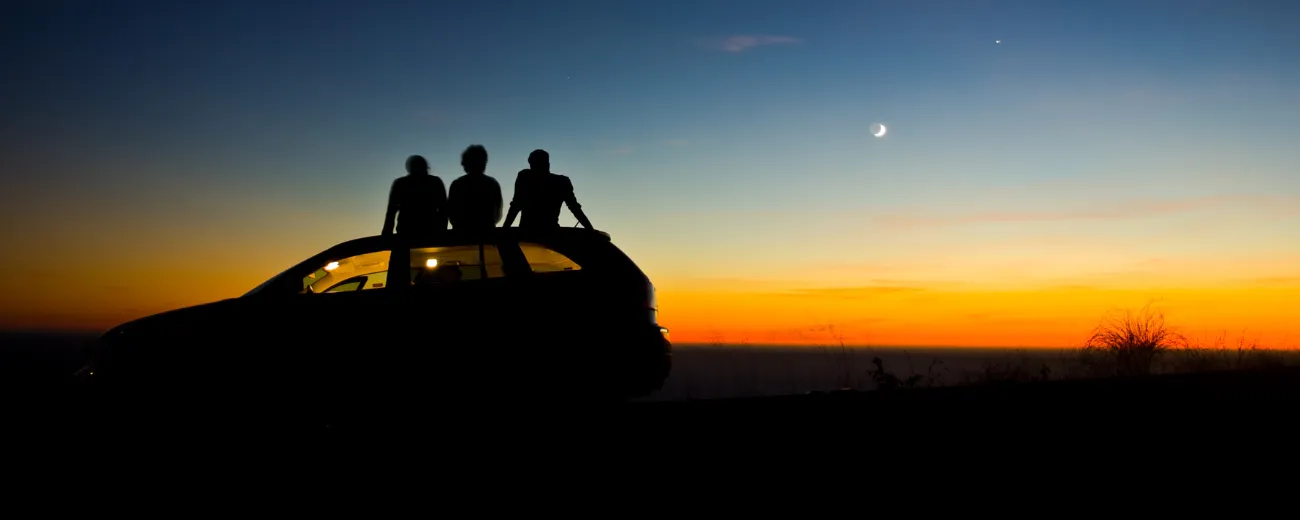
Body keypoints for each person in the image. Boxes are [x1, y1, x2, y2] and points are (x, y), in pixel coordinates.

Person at [501, 149, 594, 230]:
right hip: (538, 233)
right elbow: (516, 205)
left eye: (537, 164)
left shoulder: (525, 176)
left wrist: (505, 229)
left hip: (534, 233)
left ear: (547, 164)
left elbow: (516, 205)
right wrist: (591, 229)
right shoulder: (561, 181)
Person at [382, 155, 447, 236]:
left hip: (407, 230)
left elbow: (391, 212)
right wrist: (442, 230)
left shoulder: (400, 183)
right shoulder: (435, 182)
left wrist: (386, 233)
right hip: (428, 230)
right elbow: (444, 209)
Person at [446, 144, 503, 231]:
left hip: (462, 233)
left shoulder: (457, 184)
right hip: (487, 231)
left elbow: (451, 212)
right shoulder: (492, 183)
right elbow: (497, 213)